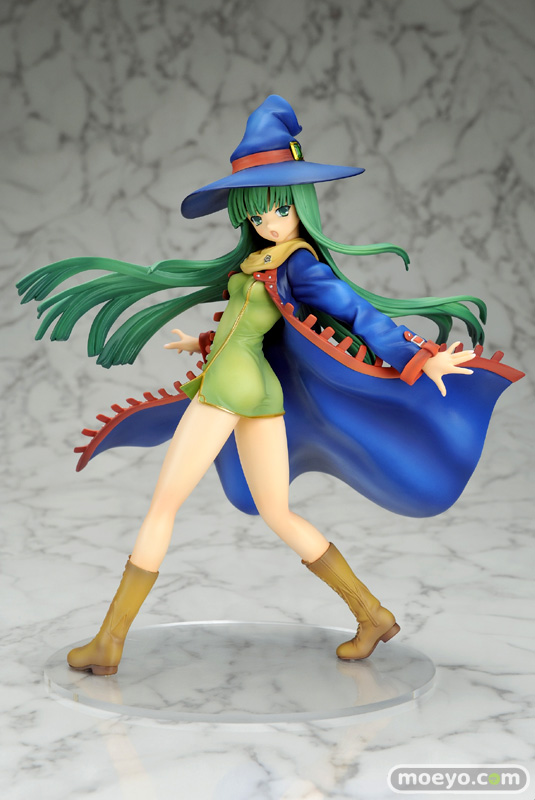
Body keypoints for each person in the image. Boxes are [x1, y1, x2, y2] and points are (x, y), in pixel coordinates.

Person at [17, 96, 522, 676]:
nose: (268, 221)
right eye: (256, 214)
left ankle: (109, 642)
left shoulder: (300, 264)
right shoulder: (267, 262)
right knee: (277, 512)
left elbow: (357, 314)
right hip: (255, 388)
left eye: (280, 208)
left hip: (231, 390)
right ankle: (372, 614)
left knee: (163, 505)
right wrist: (201, 343)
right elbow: (255, 328)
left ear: (301, 206)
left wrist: (417, 357)